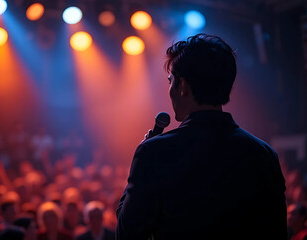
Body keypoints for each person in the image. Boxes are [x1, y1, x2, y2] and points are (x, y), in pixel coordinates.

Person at [116, 33, 287, 239]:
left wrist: (140, 162)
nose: (169, 89)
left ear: (183, 87)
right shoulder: (264, 154)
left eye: (171, 81)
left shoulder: (154, 152)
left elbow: (127, 233)